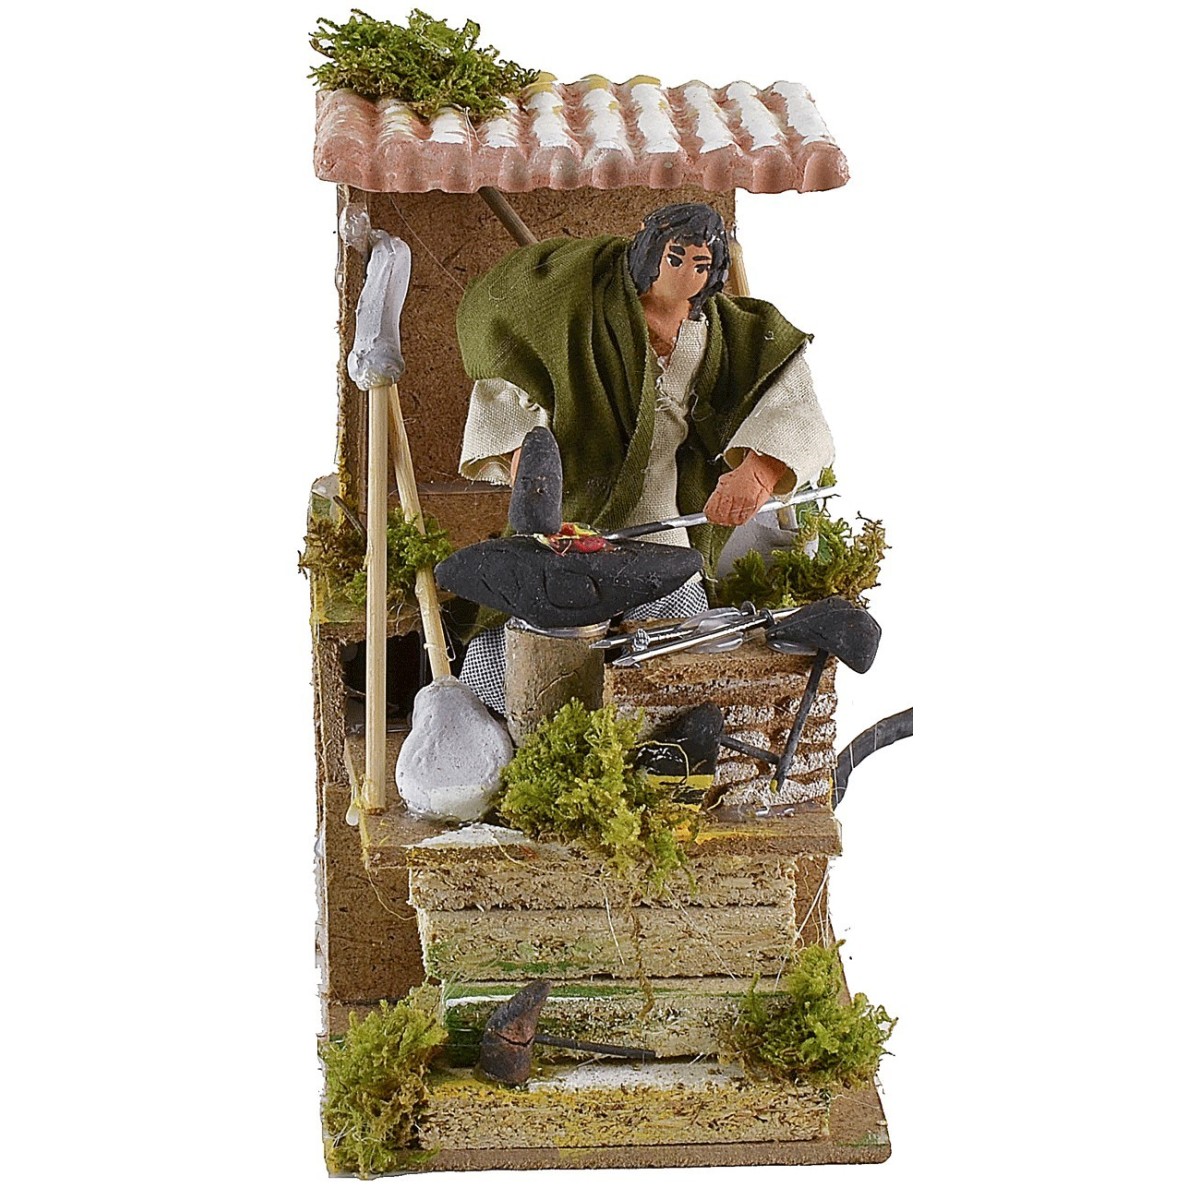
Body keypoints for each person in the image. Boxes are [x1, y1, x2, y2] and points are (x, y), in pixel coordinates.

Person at [454, 203, 834, 711]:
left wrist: (760, 470)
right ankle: (517, 717)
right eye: (675, 258)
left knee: (675, 647)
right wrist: (526, 453)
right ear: (651, 251)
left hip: (661, 521)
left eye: (700, 265)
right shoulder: (584, 312)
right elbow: (508, 373)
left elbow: (791, 395)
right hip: (574, 508)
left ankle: (651, 726)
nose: (685, 275)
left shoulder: (723, 332)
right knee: (527, 635)